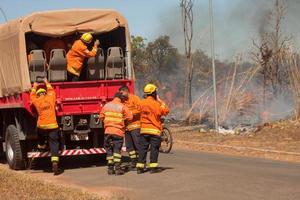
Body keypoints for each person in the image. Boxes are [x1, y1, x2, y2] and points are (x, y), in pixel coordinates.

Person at [136, 83, 169, 174]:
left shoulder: (141, 103)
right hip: (154, 130)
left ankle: (140, 167)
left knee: (142, 149)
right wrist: (160, 101)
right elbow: (166, 111)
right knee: (154, 149)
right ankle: (153, 168)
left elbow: (136, 110)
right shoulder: (156, 104)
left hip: (144, 130)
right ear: (154, 93)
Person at [30, 78, 60, 175]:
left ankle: (41, 146)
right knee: (54, 144)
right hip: (53, 125)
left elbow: (31, 95)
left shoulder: (37, 101)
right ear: (45, 93)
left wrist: (35, 86)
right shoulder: (50, 97)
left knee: (40, 134)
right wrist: (46, 81)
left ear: (39, 94)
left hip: (42, 126)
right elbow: (51, 90)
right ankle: (55, 162)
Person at [100, 92, 133, 175]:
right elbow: (130, 117)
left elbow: (101, 117)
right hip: (118, 132)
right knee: (117, 150)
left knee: (109, 151)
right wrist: (123, 118)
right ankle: (118, 169)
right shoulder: (122, 106)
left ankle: (110, 169)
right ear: (121, 99)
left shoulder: (107, 105)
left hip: (108, 131)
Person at [119, 85, 141, 170]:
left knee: (137, 145)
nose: (121, 94)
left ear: (126, 91)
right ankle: (133, 161)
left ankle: (141, 161)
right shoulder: (122, 101)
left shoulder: (135, 98)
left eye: (122, 93)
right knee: (129, 147)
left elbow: (140, 109)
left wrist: (131, 113)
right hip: (127, 127)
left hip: (135, 126)